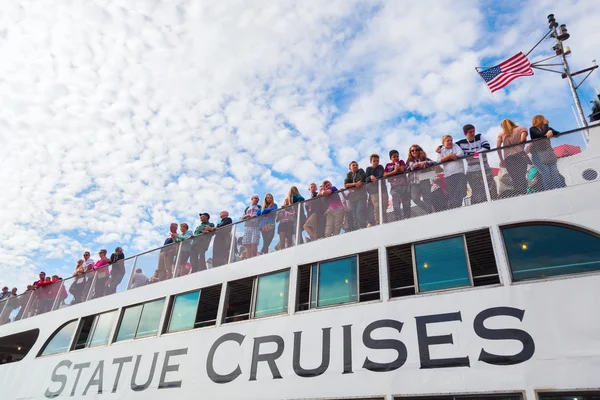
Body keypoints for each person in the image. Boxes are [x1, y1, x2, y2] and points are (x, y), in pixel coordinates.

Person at [455, 124, 498, 204]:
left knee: (491, 186)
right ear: (465, 134)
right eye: (470, 132)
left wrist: (473, 154)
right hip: (472, 171)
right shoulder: (460, 143)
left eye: (473, 131)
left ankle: (495, 202)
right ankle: (479, 205)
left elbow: (487, 147)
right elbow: (451, 147)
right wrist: (440, 147)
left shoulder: (479, 137)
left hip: (485, 167)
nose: (472, 133)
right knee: (477, 190)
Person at [529, 115, 566, 191]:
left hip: (548, 153)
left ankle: (559, 189)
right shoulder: (533, 129)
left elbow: (558, 134)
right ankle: (549, 190)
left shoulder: (547, 129)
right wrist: (546, 125)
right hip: (538, 155)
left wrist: (551, 131)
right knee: (546, 172)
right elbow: (541, 134)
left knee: (554, 172)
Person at [497, 119, 529, 196]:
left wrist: (501, 159)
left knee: (514, 178)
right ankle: (524, 193)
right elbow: (523, 139)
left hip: (509, 158)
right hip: (520, 155)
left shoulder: (501, 134)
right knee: (522, 175)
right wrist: (520, 146)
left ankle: (518, 194)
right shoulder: (522, 129)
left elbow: (498, 146)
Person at [437, 135, 467, 209]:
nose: (450, 142)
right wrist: (449, 156)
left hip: (459, 172)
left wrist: (446, 158)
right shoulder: (441, 150)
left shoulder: (455, 146)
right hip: (449, 175)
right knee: (452, 193)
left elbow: (461, 154)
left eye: (451, 140)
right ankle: (453, 208)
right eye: (448, 141)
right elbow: (438, 160)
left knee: (462, 189)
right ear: (443, 142)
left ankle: (455, 206)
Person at [406, 145, 435, 214]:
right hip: (414, 182)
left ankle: (430, 214)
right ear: (410, 152)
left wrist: (423, 163)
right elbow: (406, 168)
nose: (414, 151)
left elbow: (433, 163)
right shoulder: (409, 160)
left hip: (424, 180)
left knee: (427, 198)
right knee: (415, 198)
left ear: (419, 151)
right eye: (412, 150)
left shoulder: (424, 158)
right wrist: (414, 166)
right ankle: (429, 211)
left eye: (416, 150)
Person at [384, 150, 411, 221]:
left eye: (397, 156)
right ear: (390, 158)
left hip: (404, 186)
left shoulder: (401, 162)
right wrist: (394, 171)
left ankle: (407, 217)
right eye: (394, 157)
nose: (396, 158)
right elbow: (385, 174)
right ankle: (398, 218)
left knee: (406, 203)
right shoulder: (388, 165)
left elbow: (402, 169)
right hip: (394, 187)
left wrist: (397, 167)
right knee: (396, 203)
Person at [344, 161, 367, 231]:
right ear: (349, 167)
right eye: (353, 165)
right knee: (354, 214)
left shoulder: (361, 171)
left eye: (356, 165)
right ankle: (356, 228)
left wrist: (355, 184)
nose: (355, 166)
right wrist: (354, 184)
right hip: (352, 198)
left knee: (359, 211)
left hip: (361, 196)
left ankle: (362, 228)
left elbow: (361, 182)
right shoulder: (349, 174)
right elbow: (346, 185)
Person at [365, 154, 387, 225]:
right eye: (374, 161)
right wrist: (370, 177)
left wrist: (375, 178)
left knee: (384, 207)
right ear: (371, 161)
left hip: (383, 190)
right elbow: (366, 179)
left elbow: (381, 175)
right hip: (373, 192)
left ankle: (384, 222)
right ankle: (378, 223)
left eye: (377, 161)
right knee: (376, 208)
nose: (376, 162)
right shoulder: (368, 169)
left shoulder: (380, 167)